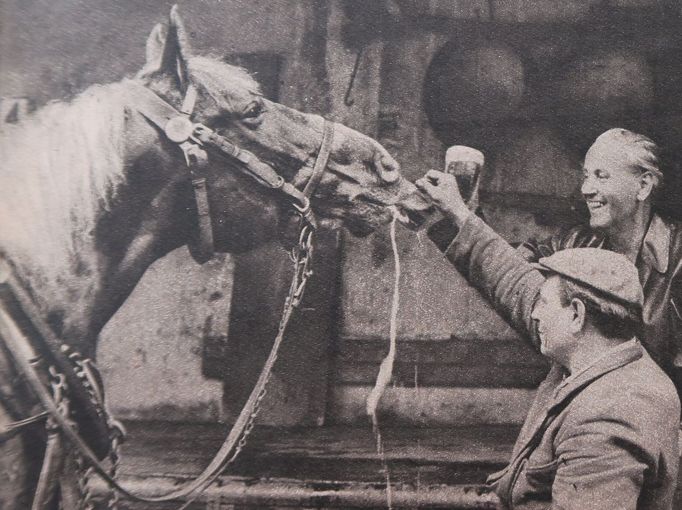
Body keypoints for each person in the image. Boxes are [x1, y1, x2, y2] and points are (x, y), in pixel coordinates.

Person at [416, 169, 680, 507]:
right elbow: (515, 284)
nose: (534, 314)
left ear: (576, 314)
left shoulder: (608, 416)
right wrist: (457, 215)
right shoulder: (596, 359)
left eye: (543, 304)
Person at [426, 128, 682, 397]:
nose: (586, 189)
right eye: (585, 176)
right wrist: (457, 216)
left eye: (601, 176)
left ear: (643, 185)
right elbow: (510, 272)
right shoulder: (573, 243)